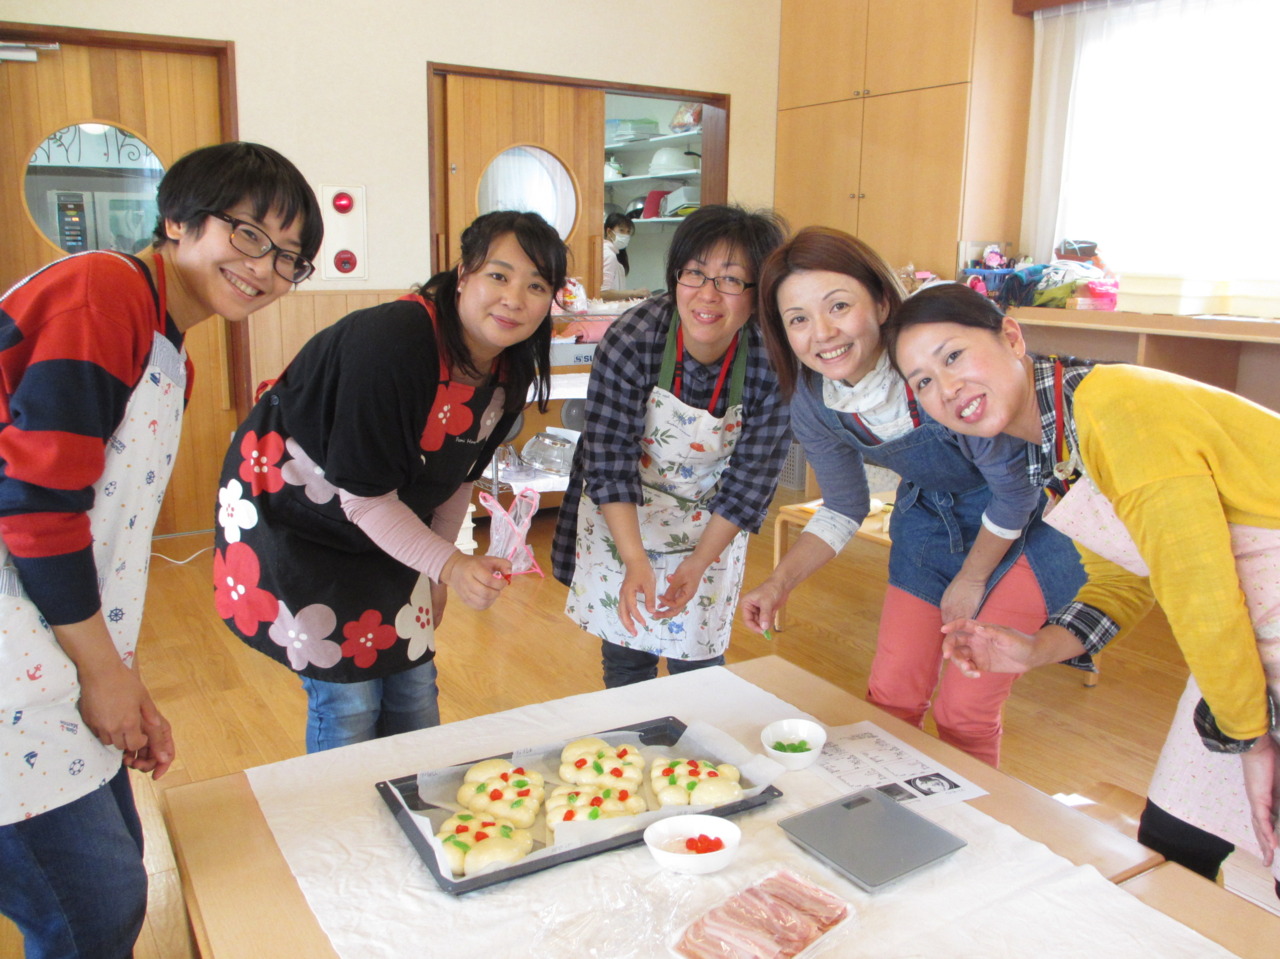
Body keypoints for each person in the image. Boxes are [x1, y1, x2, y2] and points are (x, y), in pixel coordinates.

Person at [0, 141, 322, 958]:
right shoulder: (100, 290)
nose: (266, 268)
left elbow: (101, 533)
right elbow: (38, 509)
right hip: (15, 655)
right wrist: (108, 677)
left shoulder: (165, 338)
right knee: (92, 907)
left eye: (290, 257)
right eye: (250, 235)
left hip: (50, 644)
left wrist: (123, 681)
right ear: (177, 218)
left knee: (115, 877)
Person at [889, 281, 1280, 891]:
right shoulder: (1057, 445)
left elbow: (1198, 590)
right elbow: (1128, 577)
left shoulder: (1118, 405)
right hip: (1249, 643)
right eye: (922, 381)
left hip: (1243, 634)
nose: (946, 388)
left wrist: (1250, 740)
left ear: (1012, 337)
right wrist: (1037, 647)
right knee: (1175, 841)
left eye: (953, 356)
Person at [214, 211, 566, 753]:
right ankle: (345, 826)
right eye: (499, 275)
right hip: (297, 515)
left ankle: (414, 813)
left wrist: (439, 572)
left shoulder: (508, 366)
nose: (515, 299)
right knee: (349, 699)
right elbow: (364, 496)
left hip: (384, 516)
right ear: (464, 273)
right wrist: (448, 565)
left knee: (413, 685)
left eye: (536, 285)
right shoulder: (392, 341)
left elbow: (456, 476)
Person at [739, 228, 1084, 766]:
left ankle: (971, 829)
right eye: (798, 319)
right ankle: (889, 819)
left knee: (964, 711)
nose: (823, 333)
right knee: (891, 698)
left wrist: (971, 579)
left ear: (880, 302)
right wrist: (779, 583)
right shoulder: (812, 399)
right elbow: (843, 505)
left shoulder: (935, 374)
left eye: (838, 306)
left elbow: (1014, 490)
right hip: (927, 518)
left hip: (1029, 525)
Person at [552, 204, 791, 687]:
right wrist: (635, 560)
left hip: (712, 519)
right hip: (622, 514)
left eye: (730, 280)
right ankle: (629, 753)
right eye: (694, 274)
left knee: (698, 660)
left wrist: (699, 562)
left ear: (758, 293)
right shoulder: (636, 336)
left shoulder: (773, 356)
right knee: (626, 653)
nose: (707, 295)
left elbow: (751, 481)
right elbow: (609, 460)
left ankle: (692, 761)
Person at [600, 212, 649, 301]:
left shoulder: (610, 252)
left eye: (628, 232)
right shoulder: (608, 254)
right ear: (609, 232)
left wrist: (629, 296)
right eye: (621, 230)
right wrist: (633, 293)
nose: (625, 235)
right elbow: (603, 292)